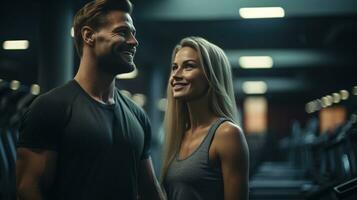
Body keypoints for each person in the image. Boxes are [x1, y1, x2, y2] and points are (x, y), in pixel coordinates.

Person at [16, 0, 165, 199]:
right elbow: (28, 189)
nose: (133, 41)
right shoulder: (50, 107)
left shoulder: (137, 115)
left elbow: (150, 190)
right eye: (122, 32)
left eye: (133, 34)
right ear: (89, 36)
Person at [161, 37, 249, 200]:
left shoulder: (227, 134)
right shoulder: (179, 134)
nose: (176, 75)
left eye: (188, 66)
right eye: (174, 67)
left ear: (211, 75)